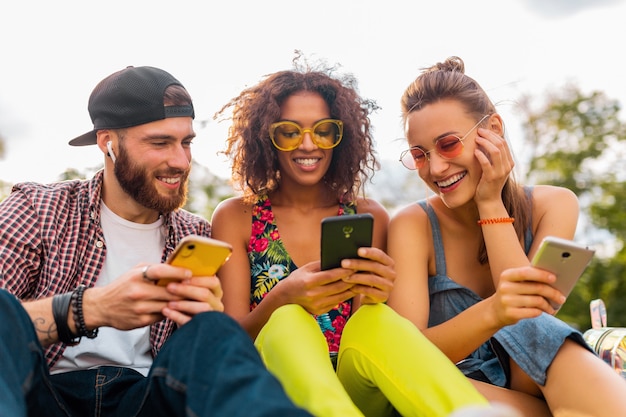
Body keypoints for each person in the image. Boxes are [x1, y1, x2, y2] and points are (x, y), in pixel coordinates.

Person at [0, 65, 312, 417]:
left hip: (148, 399)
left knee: (214, 329)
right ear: (108, 143)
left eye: (186, 142)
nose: (180, 161)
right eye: (160, 142)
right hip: (42, 397)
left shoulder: (197, 235)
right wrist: (93, 308)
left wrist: (200, 320)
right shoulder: (38, 208)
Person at [210, 55, 494, 417]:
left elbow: (365, 338)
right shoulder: (237, 217)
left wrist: (375, 294)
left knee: (377, 321)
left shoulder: (368, 215)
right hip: (270, 389)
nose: (308, 145)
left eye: (323, 130)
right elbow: (229, 344)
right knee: (288, 320)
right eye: (289, 131)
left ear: (340, 137)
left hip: (354, 385)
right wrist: (280, 299)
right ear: (267, 139)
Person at [387, 56, 626, 417]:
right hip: (454, 387)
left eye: (449, 144)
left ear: (493, 129)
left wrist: (489, 202)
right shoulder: (412, 225)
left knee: (546, 331)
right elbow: (407, 357)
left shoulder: (554, 205)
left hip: (538, 379)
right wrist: (495, 311)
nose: (435, 168)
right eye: (420, 155)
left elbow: (531, 331)